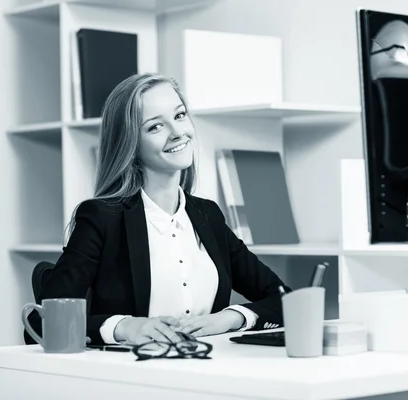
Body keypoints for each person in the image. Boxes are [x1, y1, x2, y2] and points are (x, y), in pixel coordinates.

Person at [24, 72, 291, 346]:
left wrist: (231, 318)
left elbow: (286, 299)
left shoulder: (207, 215)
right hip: (132, 377)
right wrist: (124, 327)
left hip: (210, 367)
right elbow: (40, 322)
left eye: (179, 115)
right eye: (155, 127)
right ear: (130, 143)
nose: (178, 133)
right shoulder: (102, 218)